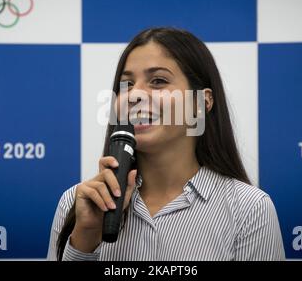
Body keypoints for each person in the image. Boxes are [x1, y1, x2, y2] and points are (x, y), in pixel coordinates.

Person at [47, 27, 285, 261]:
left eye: (158, 81)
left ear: (202, 102)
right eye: (126, 84)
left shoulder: (250, 209)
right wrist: (85, 240)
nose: (133, 95)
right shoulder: (77, 202)